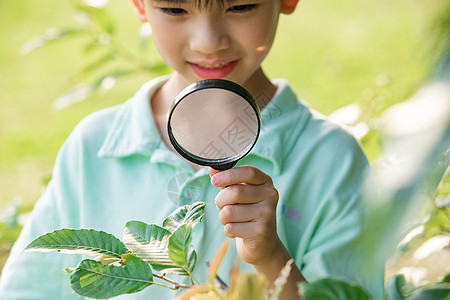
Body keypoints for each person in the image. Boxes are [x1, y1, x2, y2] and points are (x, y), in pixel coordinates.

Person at [0, 0, 384, 298]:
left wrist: (269, 256)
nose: (208, 41)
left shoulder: (330, 159)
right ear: (139, 5)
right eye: (174, 9)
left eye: (240, 6)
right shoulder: (94, 148)